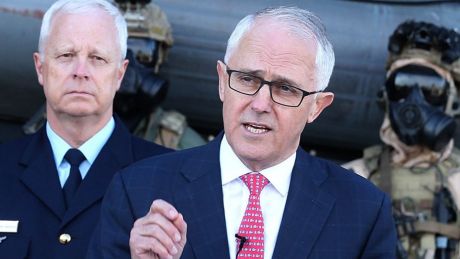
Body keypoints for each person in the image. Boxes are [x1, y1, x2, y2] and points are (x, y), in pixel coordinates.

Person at [88, 6, 397, 259]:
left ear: (317, 106)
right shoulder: (137, 189)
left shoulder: (363, 212)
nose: (260, 104)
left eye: (285, 89)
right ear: (222, 80)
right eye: (248, 79)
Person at [0, 0, 171, 258]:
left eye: (97, 58)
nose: (81, 72)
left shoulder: (167, 177)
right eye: (66, 55)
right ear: (40, 68)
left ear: (120, 74)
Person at [343, 20, 460, 258]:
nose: (414, 102)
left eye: (432, 89)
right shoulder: (352, 178)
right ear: (386, 98)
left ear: (452, 101)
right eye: (402, 86)